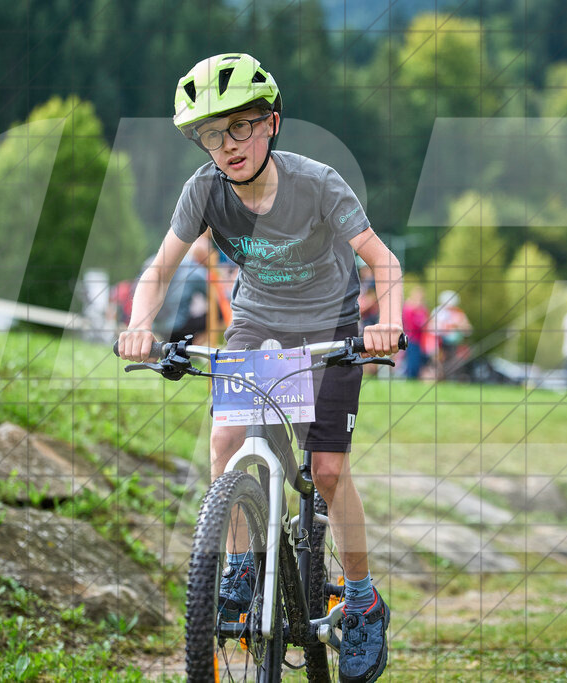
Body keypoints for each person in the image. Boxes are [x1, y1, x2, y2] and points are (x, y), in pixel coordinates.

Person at [118, 53, 402, 682]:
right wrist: (139, 327)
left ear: (271, 124)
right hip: (257, 322)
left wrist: (387, 321)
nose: (227, 146)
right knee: (226, 438)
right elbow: (158, 270)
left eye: (240, 127)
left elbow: (383, 261)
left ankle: (361, 601)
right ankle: (242, 566)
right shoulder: (203, 191)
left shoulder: (319, 182)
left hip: (331, 326)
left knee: (327, 470)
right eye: (212, 134)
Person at [142, 235, 211, 344]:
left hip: (156, 324)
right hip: (179, 326)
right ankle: (195, 349)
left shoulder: (159, 261)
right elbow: (213, 294)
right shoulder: (196, 269)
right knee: (217, 312)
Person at [429, 290, 471, 379]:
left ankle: (451, 378)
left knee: (454, 362)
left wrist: (459, 326)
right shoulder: (438, 311)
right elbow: (432, 327)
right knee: (439, 361)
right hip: (440, 342)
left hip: (455, 343)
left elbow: (467, 329)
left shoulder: (459, 313)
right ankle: (439, 377)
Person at [401, 285, 429, 379]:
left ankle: (413, 377)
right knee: (412, 360)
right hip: (411, 338)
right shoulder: (409, 308)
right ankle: (410, 378)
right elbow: (412, 324)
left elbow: (426, 321)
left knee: (417, 360)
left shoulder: (422, 309)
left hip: (420, 339)